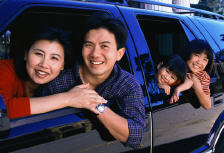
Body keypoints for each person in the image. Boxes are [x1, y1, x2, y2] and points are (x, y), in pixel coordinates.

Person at [38, 15, 145, 149]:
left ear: (119, 54)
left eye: (104, 46)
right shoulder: (58, 79)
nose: (95, 54)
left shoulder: (127, 83)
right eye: (89, 45)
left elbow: (135, 136)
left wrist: (96, 104)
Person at [0, 26, 106, 119]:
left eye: (54, 58)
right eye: (38, 54)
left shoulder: (65, 83)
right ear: (26, 54)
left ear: (62, 65)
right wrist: (68, 98)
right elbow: (3, 110)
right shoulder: (4, 69)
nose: (44, 64)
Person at [170, 39, 214, 110]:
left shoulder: (203, 76)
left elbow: (208, 105)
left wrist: (197, 86)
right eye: (197, 55)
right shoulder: (176, 65)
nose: (199, 62)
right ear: (188, 54)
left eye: (204, 60)